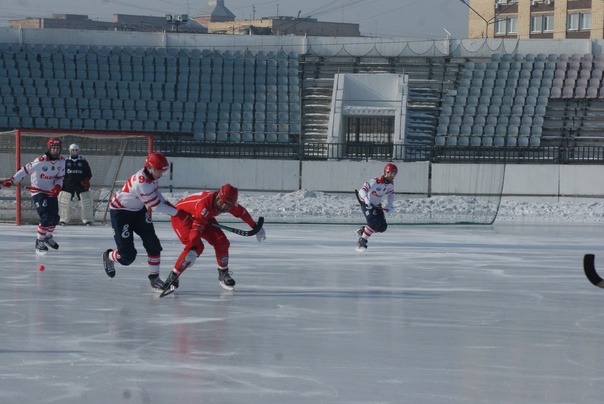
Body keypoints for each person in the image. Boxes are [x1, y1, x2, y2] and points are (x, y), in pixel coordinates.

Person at [102, 152, 190, 291]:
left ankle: (154, 278)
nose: (160, 174)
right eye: (158, 171)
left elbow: (156, 194)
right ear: (149, 168)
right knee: (127, 257)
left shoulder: (152, 175)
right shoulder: (141, 183)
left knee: (153, 244)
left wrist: (172, 207)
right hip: (121, 213)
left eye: (163, 171)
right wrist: (177, 213)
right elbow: (155, 206)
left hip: (138, 211)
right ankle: (109, 256)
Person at [163, 183, 266, 292]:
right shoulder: (205, 205)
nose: (223, 206)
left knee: (222, 242)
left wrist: (255, 227)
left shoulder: (228, 202)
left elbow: (242, 212)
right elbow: (196, 230)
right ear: (218, 196)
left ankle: (223, 273)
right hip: (182, 217)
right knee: (197, 246)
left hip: (202, 217)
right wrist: (193, 248)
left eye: (227, 205)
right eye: (221, 202)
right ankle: (173, 276)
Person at [1, 137, 66, 255]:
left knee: (55, 218)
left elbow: (59, 178)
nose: (56, 150)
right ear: (49, 148)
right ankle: (39, 241)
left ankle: (47, 237)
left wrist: (57, 187)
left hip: (51, 192)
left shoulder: (62, 162)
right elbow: (25, 169)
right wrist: (12, 180)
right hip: (39, 193)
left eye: (58, 148)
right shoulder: (41, 161)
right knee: (46, 217)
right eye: (53, 147)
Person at [355, 163, 397, 251]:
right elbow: (361, 190)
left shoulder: (390, 184)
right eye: (391, 173)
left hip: (377, 206)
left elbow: (391, 194)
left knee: (382, 227)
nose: (393, 176)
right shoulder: (375, 181)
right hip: (367, 205)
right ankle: (362, 241)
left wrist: (390, 204)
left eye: (394, 174)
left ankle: (363, 231)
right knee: (373, 224)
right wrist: (366, 200)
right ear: (386, 172)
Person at [59, 143, 94, 225]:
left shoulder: (83, 160)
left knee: (85, 201)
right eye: (73, 150)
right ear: (70, 151)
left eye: (76, 150)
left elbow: (88, 172)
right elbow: (61, 173)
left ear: (78, 151)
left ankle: (87, 218)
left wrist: (86, 179)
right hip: (68, 184)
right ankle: (64, 218)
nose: (74, 152)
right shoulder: (66, 161)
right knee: (64, 201)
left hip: (81, 184)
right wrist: (61, 183)